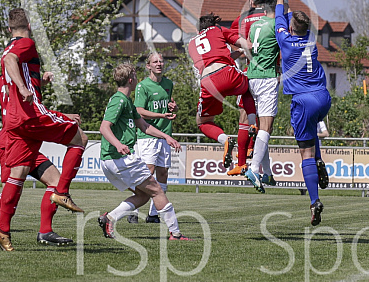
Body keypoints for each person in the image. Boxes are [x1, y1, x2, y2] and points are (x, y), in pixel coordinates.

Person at [0, 8, 88, 251]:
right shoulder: (26, 43)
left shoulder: (10, 45)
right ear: (30, 25)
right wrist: (25, 89)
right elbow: (10, 61)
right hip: (29, 114)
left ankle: (2, 230)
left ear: (8, 28)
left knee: (19, 174)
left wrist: (36, 81)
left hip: (13, 121)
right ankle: (62, 192)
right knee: (80, 138)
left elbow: (10, 63)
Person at [0, 73, 75, 246]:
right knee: (10, 195)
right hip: (14, 141)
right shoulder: (20, 81)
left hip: (22, 140)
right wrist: (61, 117)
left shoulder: (3, 80)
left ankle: (46, 232)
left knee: (56, 181)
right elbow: (29, 111)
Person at [97, 63, 190, 241]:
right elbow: (104, 127)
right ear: (131, 80)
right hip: (120, 158)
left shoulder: (127, 101)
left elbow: (145, 126)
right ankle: (176, 234)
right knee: (157, 191)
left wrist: (166, 137)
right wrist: (118, 144)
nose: (138, 78)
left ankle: (108, 219)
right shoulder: (119, 100)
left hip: (112, 160)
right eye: (135, 75)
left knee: (143, 195)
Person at [274, 0, 331, 224]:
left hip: (303, 101)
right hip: (323, 97)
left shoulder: (285, 40)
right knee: (312, 137)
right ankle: (319, 160)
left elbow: (279, 18)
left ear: (290, 28)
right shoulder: (310, 40)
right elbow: (289, 19)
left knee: (304, 152)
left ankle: (314, 200)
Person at [187, 13, 262, 191]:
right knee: (248, 87)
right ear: (214, 24)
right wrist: (250, 47)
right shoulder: (218, 30)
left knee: (203, 122)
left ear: (199, 29)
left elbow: (214, 58)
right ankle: (252, 124)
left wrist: (236, 54)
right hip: (227, 74)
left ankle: (224, 140)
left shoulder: (191, 43)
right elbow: (247, 45)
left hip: (208, 82)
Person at [129, 52, 178, 223]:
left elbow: (168, 103)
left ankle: (153, 214)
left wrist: (173, 107)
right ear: (148, 66)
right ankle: (132, 211)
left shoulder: (168, 84)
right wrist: (162, 115)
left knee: (162, 174)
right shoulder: (143, 86)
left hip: (165, 135)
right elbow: (139, 111)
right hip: (147, 135)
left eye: (161, 61)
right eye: (155, 61)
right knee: (146, 175)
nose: (159, 64)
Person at [229, 0, 270, 175]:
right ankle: (262, 164)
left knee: (245, 119)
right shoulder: (273, 16)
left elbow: (231, 39)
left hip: (249, 74)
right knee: (265, 123)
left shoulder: (244, 18)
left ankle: (242, 162)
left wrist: (238, 53)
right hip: (270, 75)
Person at [243, 0, 280, 190]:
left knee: (264, 128)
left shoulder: (255, 24)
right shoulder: (276, 25)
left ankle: (268, 173)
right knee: (266, 126)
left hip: (252, 76)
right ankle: (254, 168)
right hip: (266, 78)